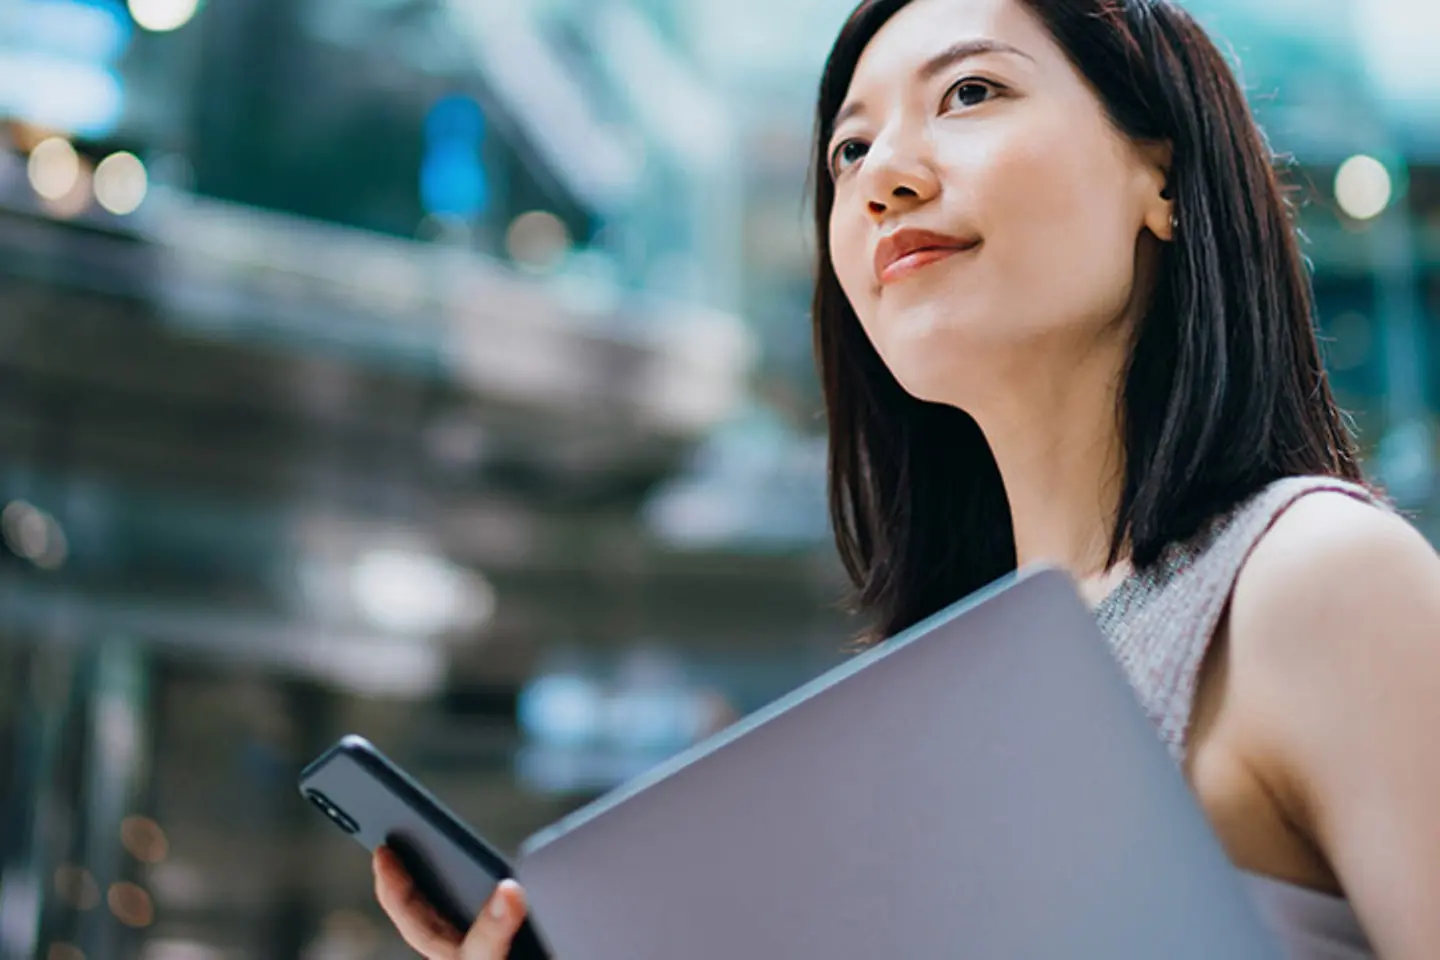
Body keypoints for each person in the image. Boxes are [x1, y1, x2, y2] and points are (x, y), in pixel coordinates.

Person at [373, 0, 1440, 956]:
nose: (884, 175)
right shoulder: (925, 712)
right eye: (847, 150)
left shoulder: (1314, 580)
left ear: (1159, 174)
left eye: (970, 92)